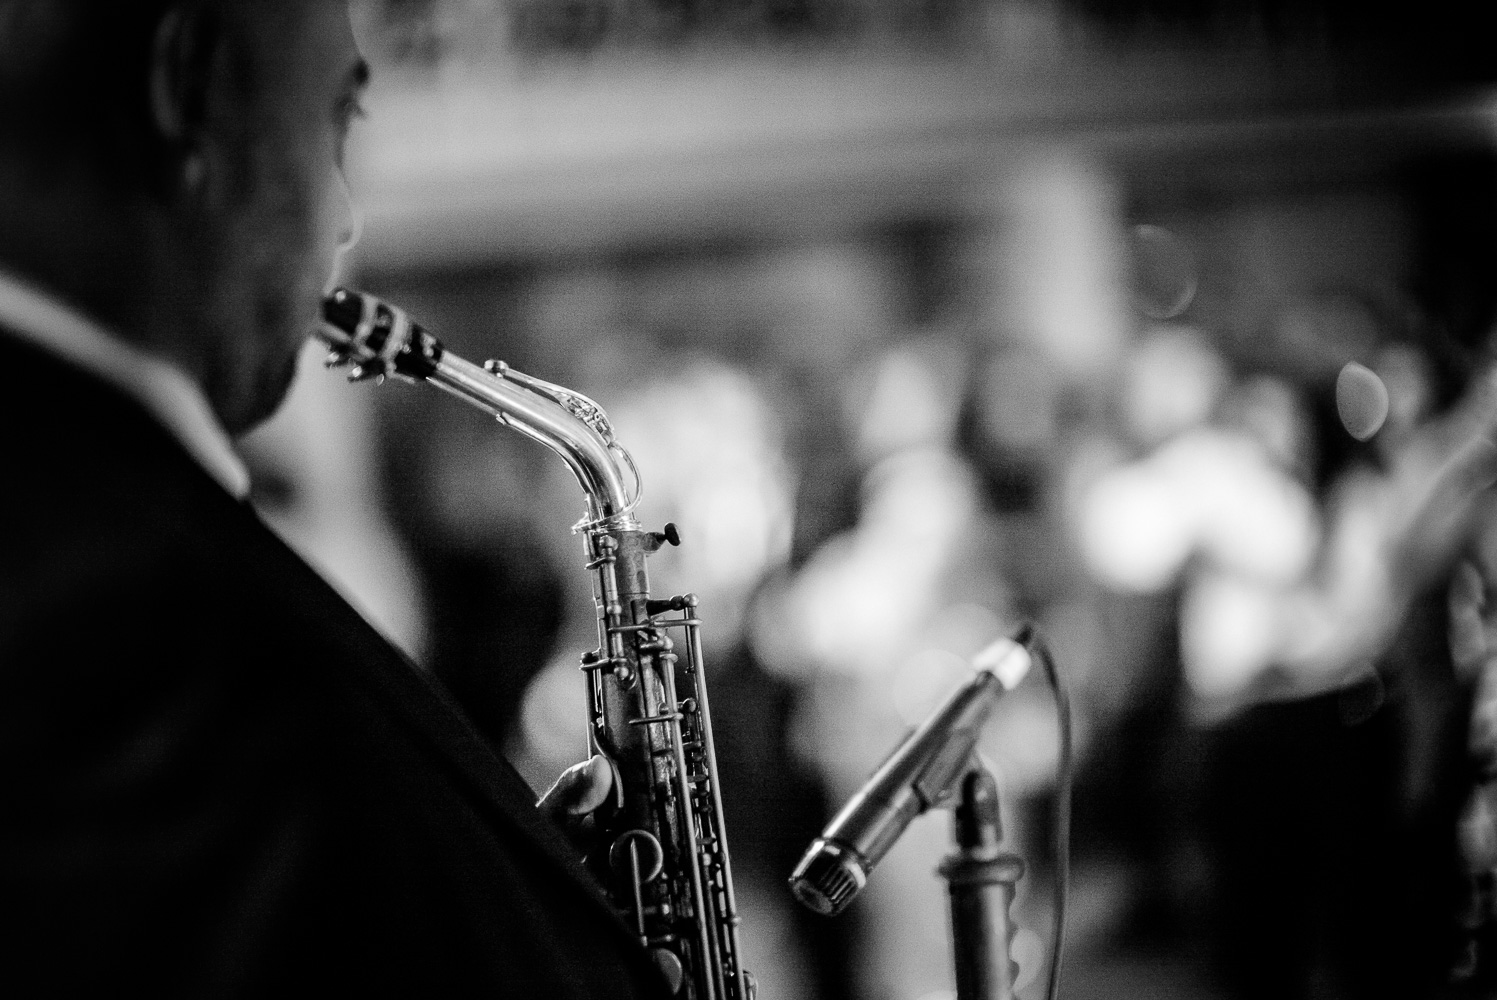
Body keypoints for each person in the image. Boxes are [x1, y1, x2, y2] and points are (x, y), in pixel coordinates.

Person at [0, 2, 665, 995]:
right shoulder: (134, 624)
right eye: (333, 122)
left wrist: (477, 882)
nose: (346, 219)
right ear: (186, 89)